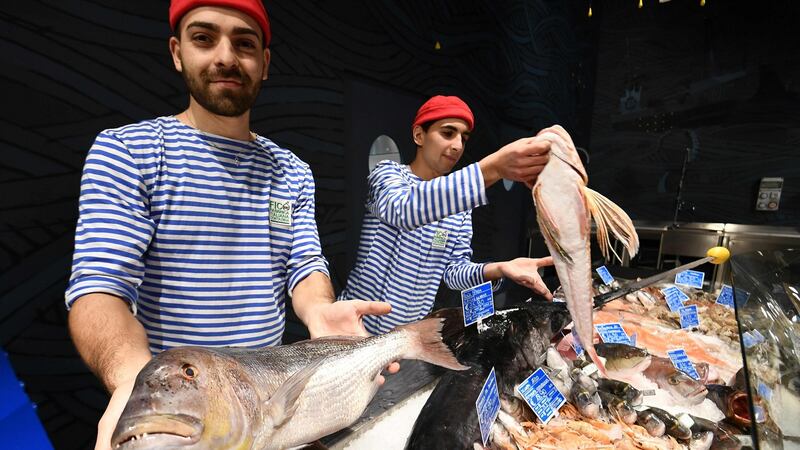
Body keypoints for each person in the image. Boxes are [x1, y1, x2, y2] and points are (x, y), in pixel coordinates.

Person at [64, 1, 394, 448]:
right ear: (177, 52)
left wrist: (318, 309)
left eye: (244, 43)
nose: (225, 57)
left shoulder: (291, 171)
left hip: (269, 410)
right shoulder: (129, 151)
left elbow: (304, 266)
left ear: (265, 63)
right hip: (181, 420)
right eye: (204, 38)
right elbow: (99, 292)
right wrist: (133, 384)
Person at [339, 95, 556, 334]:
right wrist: (492, 168)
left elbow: (453, 274)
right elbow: (402, 210)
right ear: (419, 135)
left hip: (407, 338)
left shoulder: (460, 206)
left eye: (463, 138)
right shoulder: (388, 175)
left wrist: (500, 269)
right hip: (355, 327)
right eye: (447, 133)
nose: (457, 146)